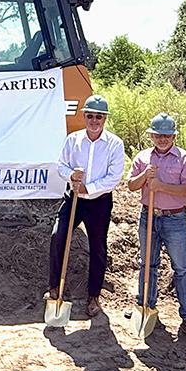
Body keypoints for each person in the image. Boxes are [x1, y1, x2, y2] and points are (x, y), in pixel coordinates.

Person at [47, 95, 125, 317]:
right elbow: (61, 164)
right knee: (57, 237)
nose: (94, 120)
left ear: (105, 118)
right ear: (84, 116)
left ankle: (94, 296)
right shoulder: (73, 140)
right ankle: (55, 288)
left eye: (98, 116)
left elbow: (114, 177)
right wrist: (71, 175)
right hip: (73, 200)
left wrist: (89, 188)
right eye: (90, 115)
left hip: (99, 203)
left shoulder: (114, 144)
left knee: (98, 247)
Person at [126, 113, 186, 336]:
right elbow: (131, 185)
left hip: (175, 218)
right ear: (151, 135)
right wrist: (144, 177)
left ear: (174, 135)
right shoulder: (142, 158)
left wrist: (161, 185)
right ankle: (145, 305)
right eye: (158, 135)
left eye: (167, 135)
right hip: (148, 216)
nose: (162, 139)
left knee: (182, 267)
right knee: (147, 264)